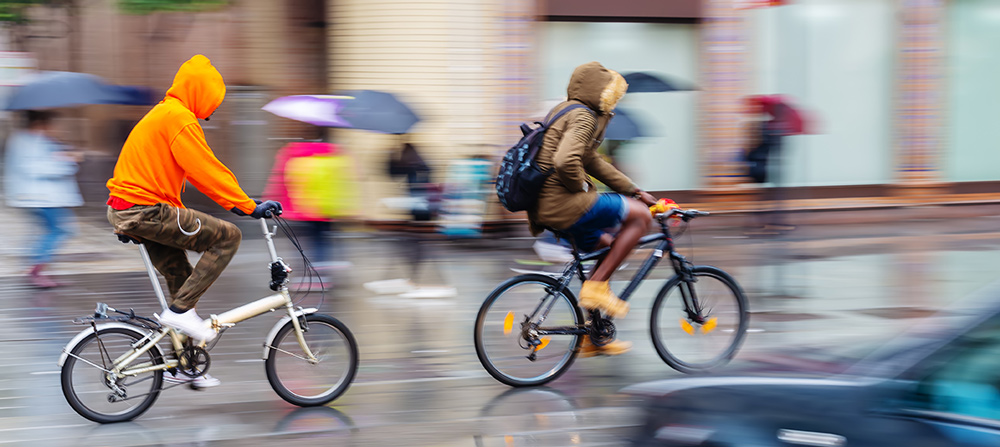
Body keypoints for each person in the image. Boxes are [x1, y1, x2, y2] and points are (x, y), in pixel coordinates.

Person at [105, 55, 281, 387]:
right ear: (199, 93)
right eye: (212, 103)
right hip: (145, 211)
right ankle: (180, 316)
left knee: (182, 278)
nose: (212, 112)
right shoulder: (179, 118)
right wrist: (246, 207)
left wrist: (124, 220)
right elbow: (206, 170)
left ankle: (186, 365)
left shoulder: (163, 112)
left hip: (129, 209)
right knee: (227, 237)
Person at [527, 61, 659, 356]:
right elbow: (565, 161)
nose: (613, 102)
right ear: (598, 92)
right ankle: (596, 288)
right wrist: (581, 190)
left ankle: (593, 335)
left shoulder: (566, 111)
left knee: (607, 247)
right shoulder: (584, 116)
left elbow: (592, 161)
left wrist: (635, 190)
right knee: (639, 217)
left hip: (547, 206)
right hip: (564, 203)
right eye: (611, 94)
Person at [3, 110, 83, 288]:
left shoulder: (32, 140)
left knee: (51, 231)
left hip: (42, 197)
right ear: (40, 124)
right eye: (51, 124)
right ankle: (36, 268)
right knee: (58, 230)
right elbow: (36, 167)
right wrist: (66, 160)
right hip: (42, 197)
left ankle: (37, 267)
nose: (54, 128)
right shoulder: (30, 142)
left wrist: (64, 154)